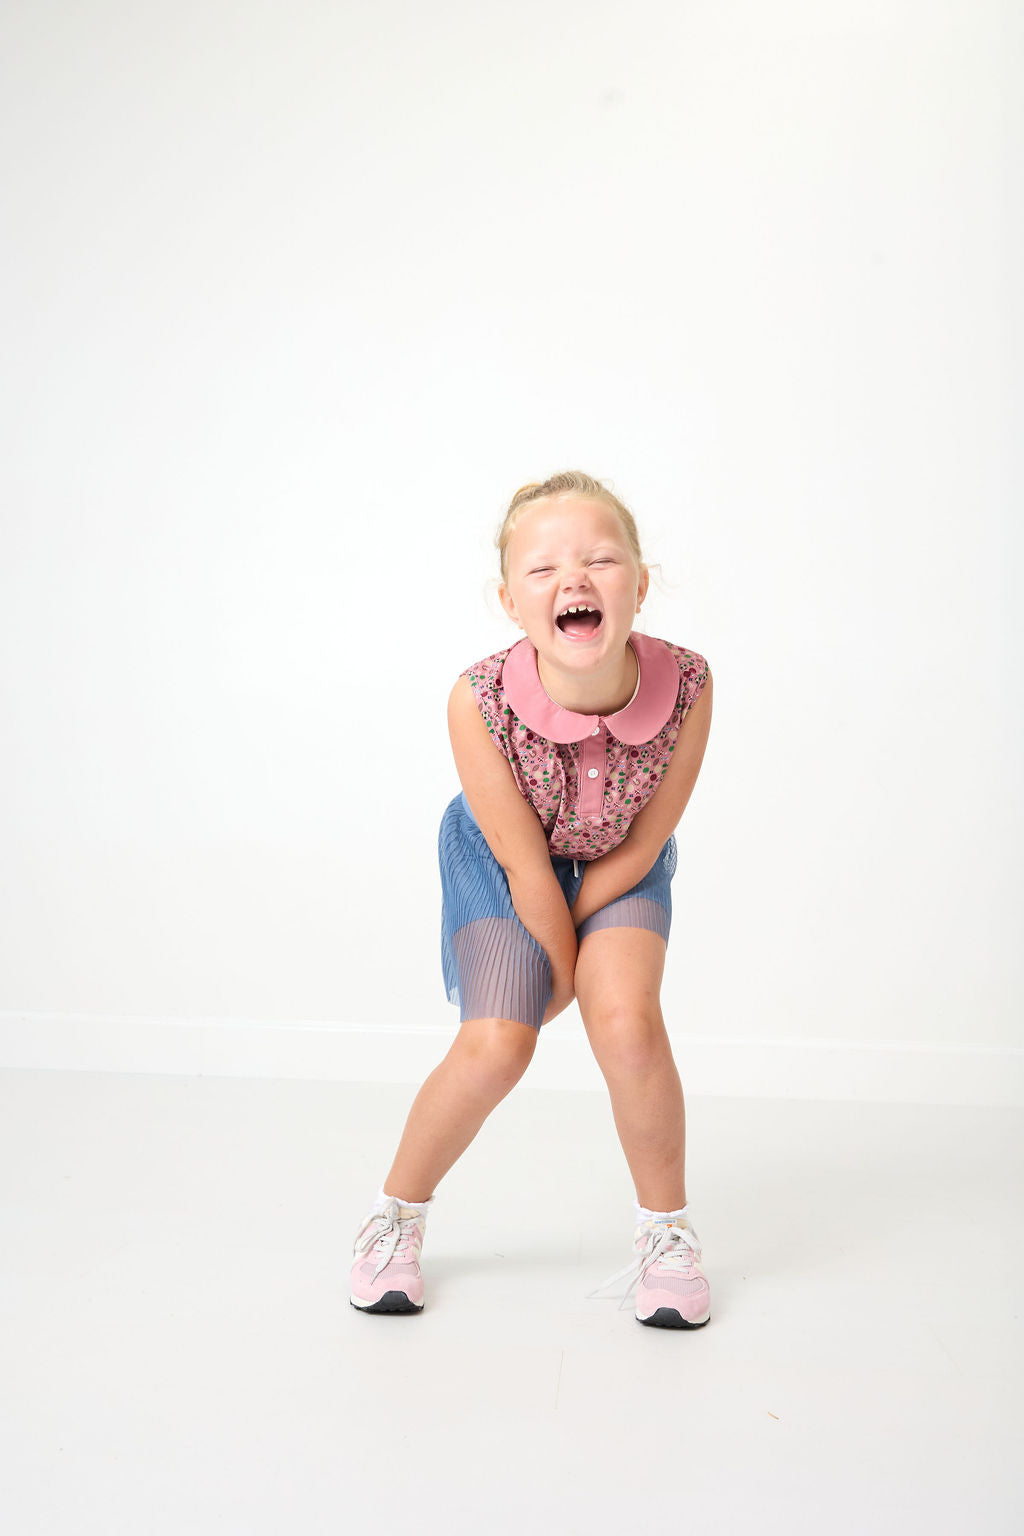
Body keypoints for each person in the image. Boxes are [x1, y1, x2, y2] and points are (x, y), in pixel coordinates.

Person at [349, 470, 714, 1328]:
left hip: (620, 861)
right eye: (544, 570)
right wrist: (556, 969)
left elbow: (647, 837)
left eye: (600, 559)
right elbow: (521, 863)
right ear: (512, 601)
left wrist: (590, 956)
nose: (574, 580)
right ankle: (393, 1218)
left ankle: (668, 1236)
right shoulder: (477, 702)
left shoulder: (690, 687)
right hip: (502, 860)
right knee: (498, 1045)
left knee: (625, 1023)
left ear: (641, 584)